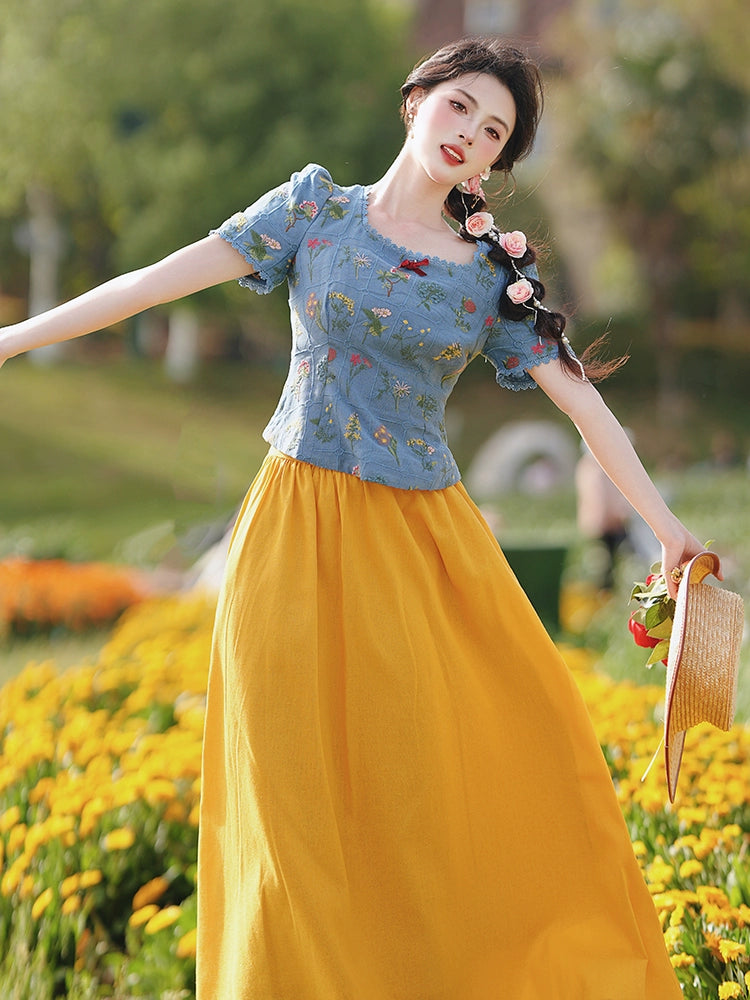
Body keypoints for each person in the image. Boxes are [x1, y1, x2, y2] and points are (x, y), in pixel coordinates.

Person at [0, 36, 709, 1000]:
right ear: (416, 99)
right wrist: (14, 338)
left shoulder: (489, 279)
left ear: (499, 163)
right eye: (460, 106)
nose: (470, 134)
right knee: (287, 796)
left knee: (439, 783)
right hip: (290, 530)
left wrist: (668, 528)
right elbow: (157, 282)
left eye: (494, 131)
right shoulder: (311, 214)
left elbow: (583, 404)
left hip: (424, 546)